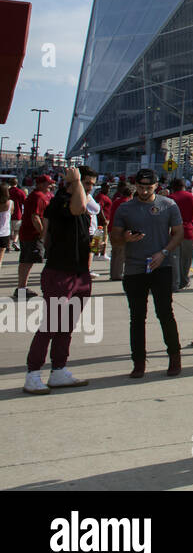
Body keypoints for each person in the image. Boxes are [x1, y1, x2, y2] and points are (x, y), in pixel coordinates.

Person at [23, 166, 97, 394]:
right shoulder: (61, 202)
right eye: (86, 182)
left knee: (67, 325)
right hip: (59, 272)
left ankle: (59, 370)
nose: (90, 187)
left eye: (93, 184)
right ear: (73, 182)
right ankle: (33, 373)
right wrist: (75, 183)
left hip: (79, 272)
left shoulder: (85, 206)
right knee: (51, 324)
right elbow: (78, 207)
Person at [111, 169, 184, 379]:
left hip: (161, 265)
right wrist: (124, 236)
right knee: (137, 317)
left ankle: (174, 356)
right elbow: (114, 236)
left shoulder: (168, 205)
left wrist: (164, 252)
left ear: (156, 187)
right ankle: (139, 361)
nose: (144, 191)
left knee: (165, 313)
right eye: (141, 187)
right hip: (135, 267)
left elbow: (179, 233)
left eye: (148, 188)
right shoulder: (125, 208)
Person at [14, 175, 54, 299]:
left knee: (26, 261)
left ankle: (21, 287)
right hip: (32, 234)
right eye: (48, 184)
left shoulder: (36, 195)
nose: (51, 186)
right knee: (28, 261)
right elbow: (35, 217)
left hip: (27, 233)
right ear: (40, 184)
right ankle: (21, 288)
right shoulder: (38, 197)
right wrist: (42, 234)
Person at [166, 178, 193, 292]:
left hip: (174, 231)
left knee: (174, 259)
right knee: (186, 259)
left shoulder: (170, 198)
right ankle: (184, 280)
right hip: (189, 231)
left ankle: (175, 283)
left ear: (173, 187)